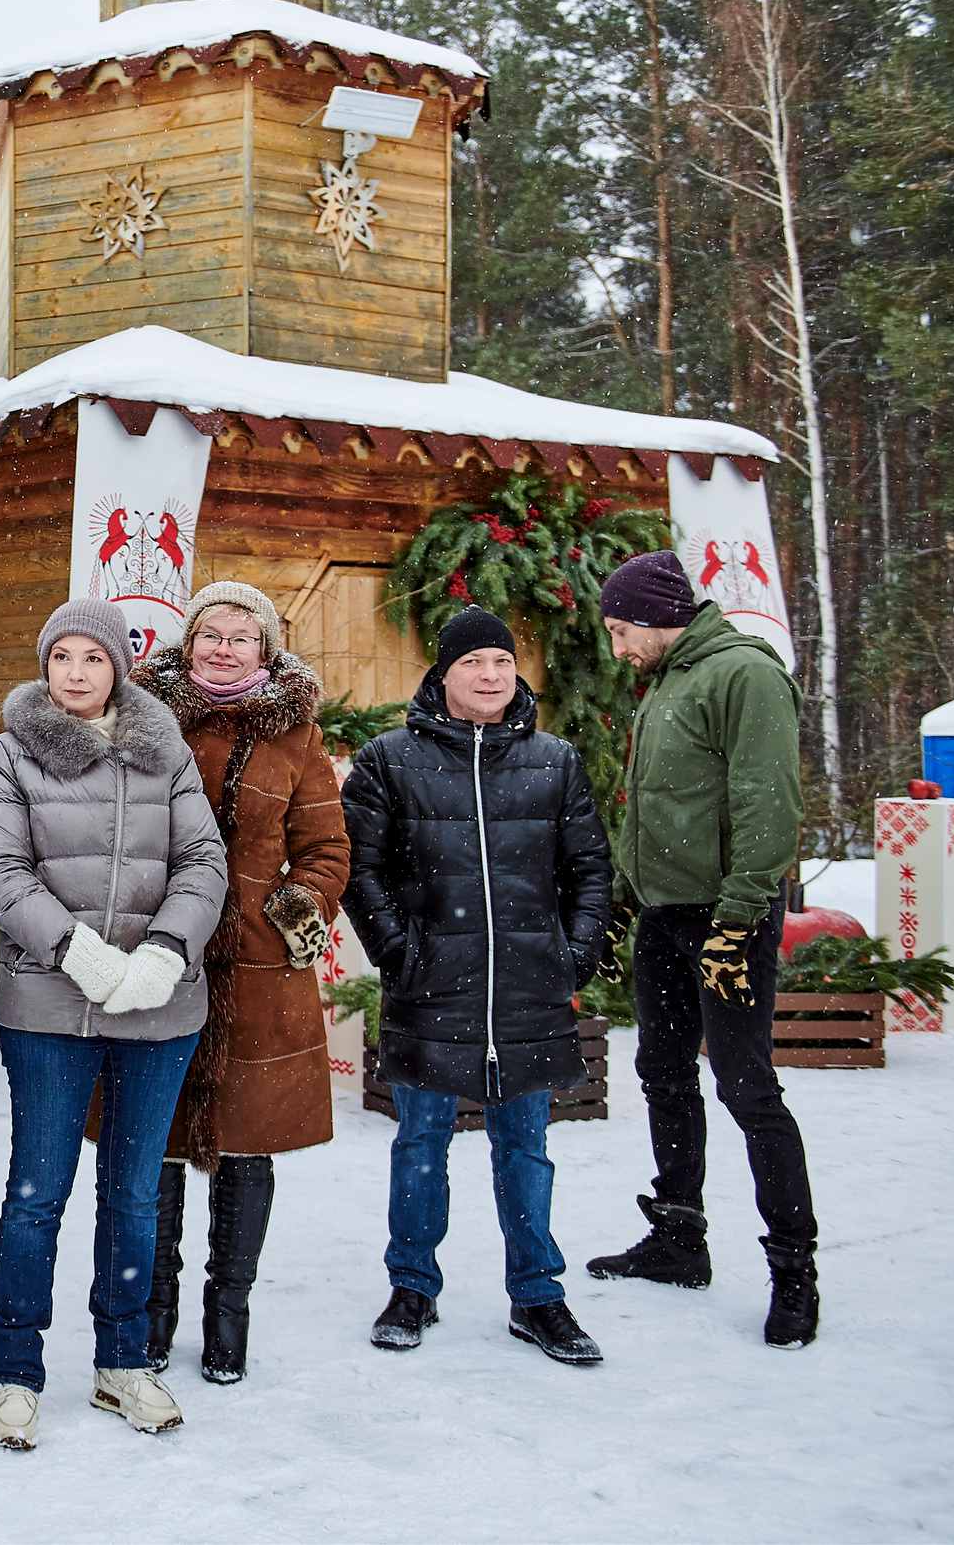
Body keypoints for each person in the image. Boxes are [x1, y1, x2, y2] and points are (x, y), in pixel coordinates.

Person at [0, 599, 226, 1450]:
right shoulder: (10, 754)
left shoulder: (166, 751)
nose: (75, 672)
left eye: (92, 656)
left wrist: (164, 949)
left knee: (135, 1190)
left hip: (159, 1007)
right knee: (37, 1193)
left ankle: (123, 1362)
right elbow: (1, 870)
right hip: (50, 1006)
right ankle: (15, 1372)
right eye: (61, 656)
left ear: (120, 664)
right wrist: (76, 950)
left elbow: (203, 860)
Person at [341, 607, 613, 1367]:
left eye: (501, 660)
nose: (491, 675)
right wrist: (402, 952)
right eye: (473, 663)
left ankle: (537, 1295)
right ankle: (412, 1286)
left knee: (524, 1147)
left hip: (528, 989)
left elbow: (590, 867)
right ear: (444, 672)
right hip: (431, 986)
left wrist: (572, 954)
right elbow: (360, 871)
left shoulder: (554, 761)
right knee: (421, 1142)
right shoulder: (391, 760)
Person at [586, 550, 819, 1348]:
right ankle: (679, 1236)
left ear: (656, 617)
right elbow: (656, 804)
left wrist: (742, 914)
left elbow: (768, 800)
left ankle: (795, 1271)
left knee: (748, 1087)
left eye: (621, 631)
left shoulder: (742, 675)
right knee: (662, 1071)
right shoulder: (672, 679)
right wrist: (624, 895)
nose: (617, 648)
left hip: (727, 918)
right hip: (665, 913)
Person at [127, 581, 352, 1385]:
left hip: (258, 966)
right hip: (159, 950)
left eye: (241, 636)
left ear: (268, 648)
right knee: (151, 1138)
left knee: (248, 1144)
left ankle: (230, 1317)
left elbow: (327, 847)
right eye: (209, 634)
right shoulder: (145, 717)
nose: (224, 648)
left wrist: (296, 901)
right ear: (187, 644)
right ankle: (149, 1312)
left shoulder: (298, 736)